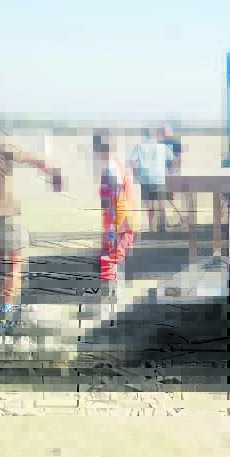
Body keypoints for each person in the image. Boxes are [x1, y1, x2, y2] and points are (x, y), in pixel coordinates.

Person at [0, 99, 62, 331]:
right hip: (7, 213)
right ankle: (8, 315)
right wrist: (54, 172)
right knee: (15, 264)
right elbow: (32, 158)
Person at [93, 132, 139, 321]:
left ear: (97, 151)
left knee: (110, 260)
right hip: (121, 222)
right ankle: (114, 302)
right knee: (113, 260)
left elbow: (115, 197)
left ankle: (111, 306)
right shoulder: (117, 165)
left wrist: (111, 228)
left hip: (118, 223)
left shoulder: (111, 169)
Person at [129, 128, 171, 233]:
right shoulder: (162, 146)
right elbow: (173, 159)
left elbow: (131, 161)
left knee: (149, 203)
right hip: (159, 178)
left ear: (144, 134)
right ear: (155, 134)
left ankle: (151, 227)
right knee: (161, 202)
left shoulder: (139, 146)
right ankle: (162, 227)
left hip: (145, 178)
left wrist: (135, 175)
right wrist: (170, 172)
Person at [161, 124, 185, 229]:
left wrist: (173, 171)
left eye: (165, 130)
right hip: (165, 173)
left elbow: (179, 158)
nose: (163, 132)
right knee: (167, 197)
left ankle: (182, 217)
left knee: (169, 197)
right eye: (162, 130)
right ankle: (172, 220)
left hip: (173, 173)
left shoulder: (176, 142)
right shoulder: (160, 143)